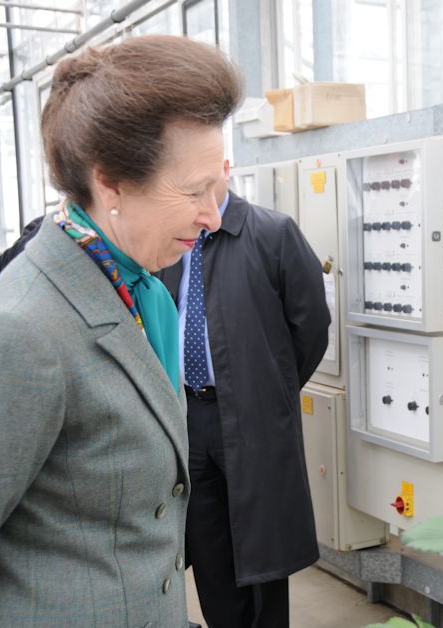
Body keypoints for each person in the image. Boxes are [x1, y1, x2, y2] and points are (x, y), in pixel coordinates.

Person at [0, 35, 240, 626]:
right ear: (111, 181)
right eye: (194, 191)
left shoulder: (141, 290)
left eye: (216, 186)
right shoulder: (23, 334)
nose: (213, 215)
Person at [156, 160, 329, 623]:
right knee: (209, 551)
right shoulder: (173, 239)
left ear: (225, 167)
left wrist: (268, 388)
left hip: (254, 418)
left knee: (265, 551)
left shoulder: (272, 234)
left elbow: (311, 327)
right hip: (188, 415)